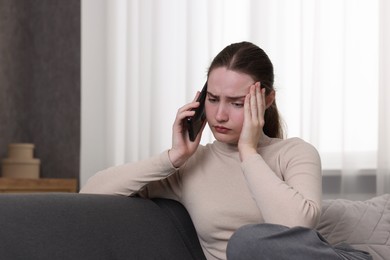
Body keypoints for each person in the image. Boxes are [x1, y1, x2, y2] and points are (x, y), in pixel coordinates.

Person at [81, 42, 371, 260]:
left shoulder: (295, 153)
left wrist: (248, 151)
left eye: (236, 102)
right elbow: (91, 193)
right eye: (212, 99)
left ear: (267, 99)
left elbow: (296, 227)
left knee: (249, 241)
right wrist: (174, 157)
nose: (219, 115)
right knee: (247, 243)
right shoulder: (193, 166)